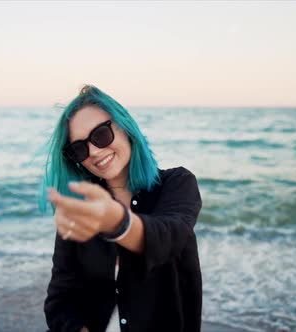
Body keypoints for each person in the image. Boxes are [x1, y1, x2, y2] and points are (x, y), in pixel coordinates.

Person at [41, 85, 202, 332]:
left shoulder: (177, 183)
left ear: (125, 127)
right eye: (80, 148)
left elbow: (168, 237)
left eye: (101, 134)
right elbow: (59, 302)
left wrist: (116, 222)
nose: (94, 152)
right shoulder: (82, 209)